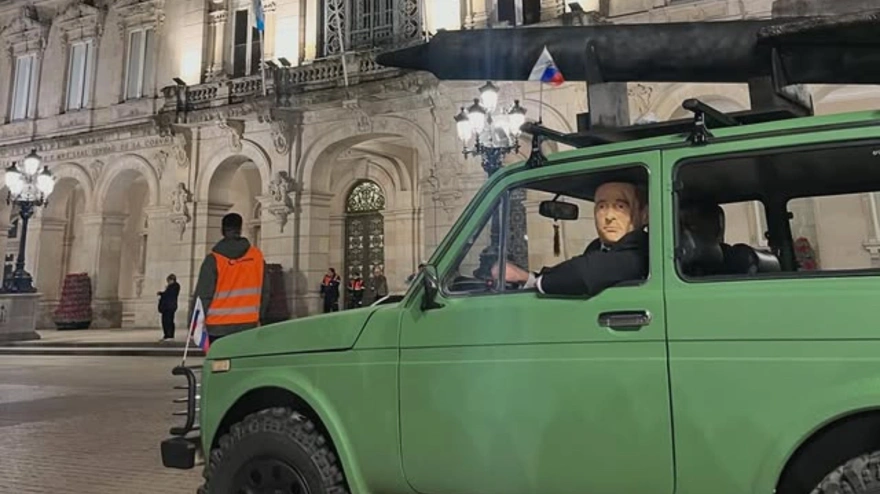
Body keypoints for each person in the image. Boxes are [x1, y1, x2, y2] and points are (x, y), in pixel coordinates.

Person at [494, 181, 649, 297]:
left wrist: (531, 279)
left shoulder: (640, 251)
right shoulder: (597, 247)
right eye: (601, 207)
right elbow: (577, 266)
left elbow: (583, 274)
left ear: (644, 215)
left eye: (620, 207)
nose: (608, 217)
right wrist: (528, 277)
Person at [192, 213, 269, 343]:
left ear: (222, 230)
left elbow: (203, 296)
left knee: (220, 362)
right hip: (248, 324)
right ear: (240, 229)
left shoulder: (213, 260)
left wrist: (194, 324)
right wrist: (260, 316)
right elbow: (265, 292)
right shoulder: (257, 256)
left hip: (217, 326)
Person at [157, 274, 180, 341]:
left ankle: (170, 335)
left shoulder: (174, 286)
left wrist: (162, 294)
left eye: (168, 281)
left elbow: (169, 295)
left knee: (169, 321)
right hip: (166, 307)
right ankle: (166, 334)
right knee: (165, 321)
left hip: (169, 307)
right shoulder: (171, 287)